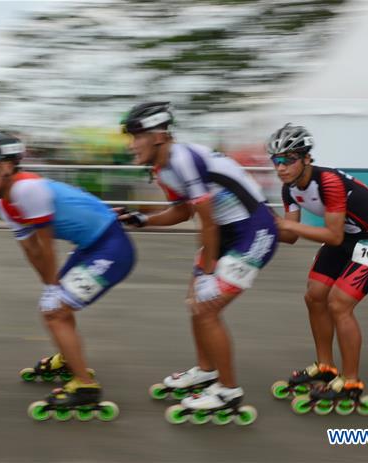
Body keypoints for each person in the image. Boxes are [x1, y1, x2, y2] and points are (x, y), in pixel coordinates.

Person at [119, 102, 273, 424]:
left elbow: (206, 223)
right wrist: (143, 219)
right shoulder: (162, 169)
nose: (130, 144)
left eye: (135, 136)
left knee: (207, 306)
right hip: (226, 229)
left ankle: (228, 392)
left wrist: (207, 271)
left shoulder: (182, 158)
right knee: (196, 302)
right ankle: (207, 371)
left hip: (252, 228)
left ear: (158, 136)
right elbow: (183, 211)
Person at [0, 133, 133, 421]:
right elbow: (31, 249)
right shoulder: (4, 203)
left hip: (111, 248)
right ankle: (70, 362)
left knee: (55, 312)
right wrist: (49, 286)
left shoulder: (26, 190)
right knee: (53, 308)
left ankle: (85, 387)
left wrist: (53, 289)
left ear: (5, 167)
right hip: (91, 247)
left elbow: (46, 245)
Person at [268, 123, 368, 415]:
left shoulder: (329, 182)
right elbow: (291, 236)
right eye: (276, 161)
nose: (281, 167)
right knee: (314, 296)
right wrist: (265, 221)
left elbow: (333, 235)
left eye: (289, 159)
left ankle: (351, 382)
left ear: (307, 159)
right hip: (347, 236)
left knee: (339, 304)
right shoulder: (289, 189)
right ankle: (326, 367)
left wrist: (286, 224)